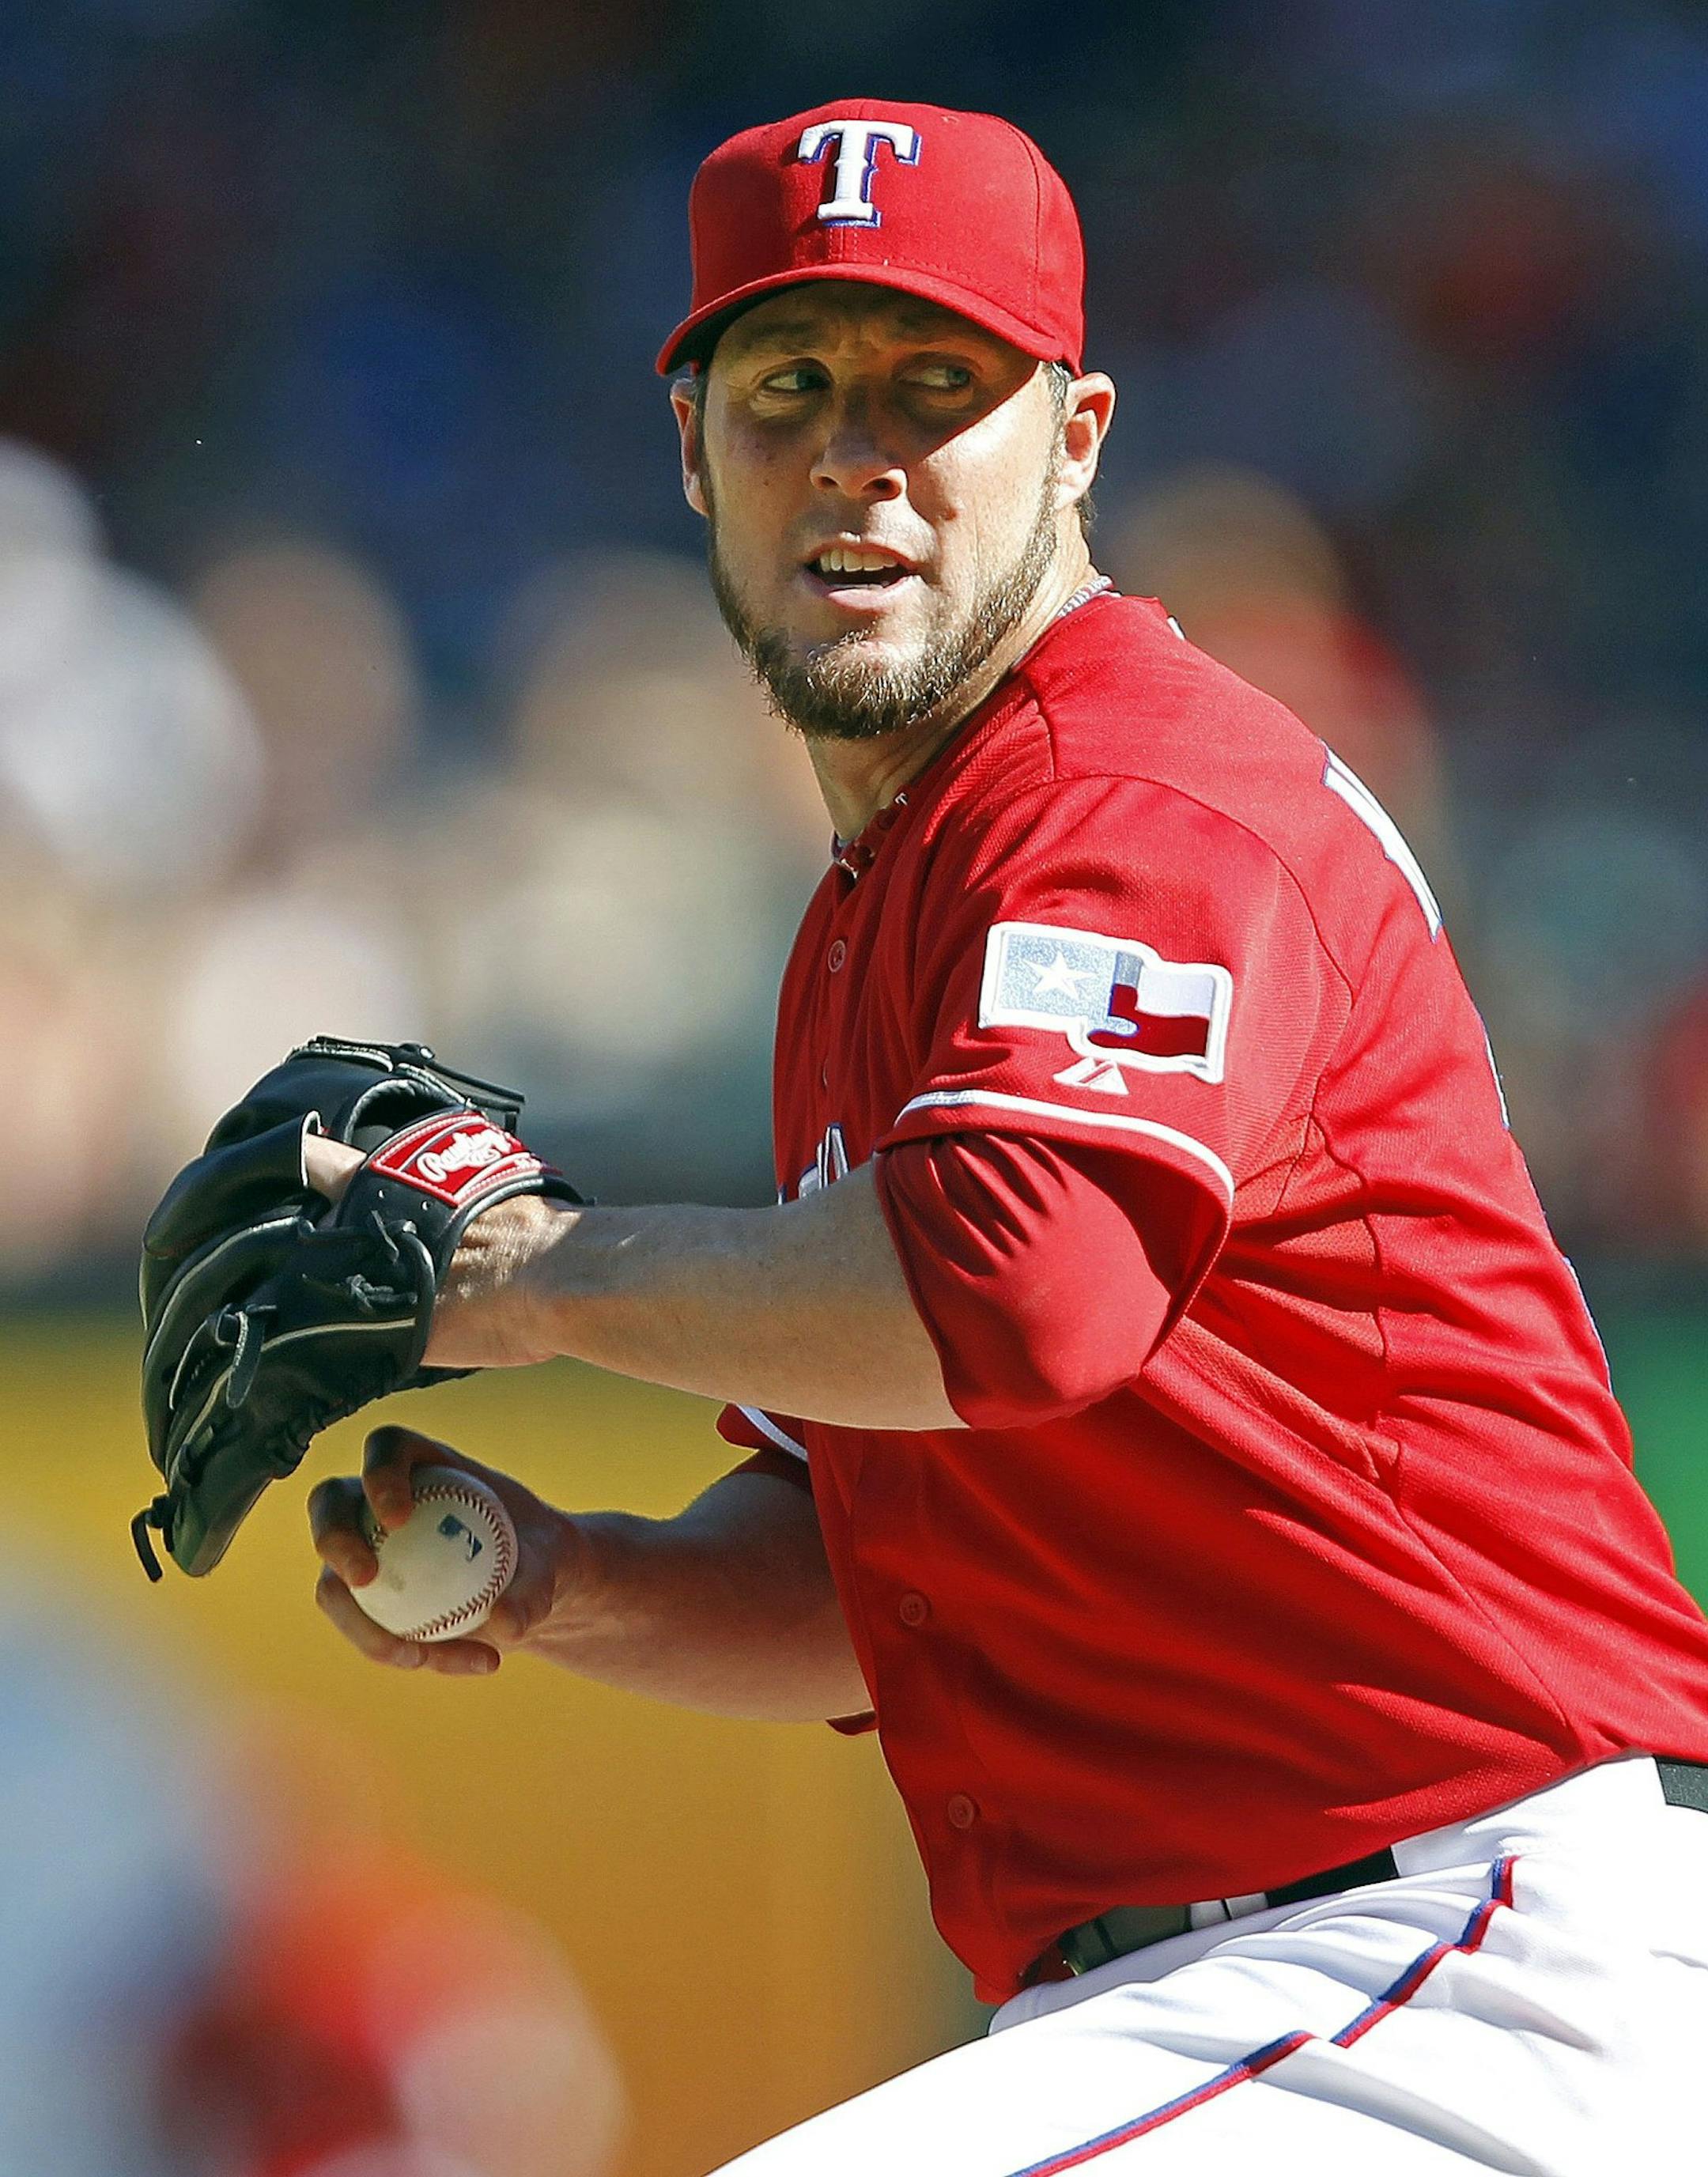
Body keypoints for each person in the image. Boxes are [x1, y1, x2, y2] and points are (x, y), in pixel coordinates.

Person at [308, 100, 1708, 2174]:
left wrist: (521, 1277)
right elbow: (852, 1562)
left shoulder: (1132, 807)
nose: (857, 455)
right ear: (690, 449)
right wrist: (551, 1576)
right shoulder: (880, 920)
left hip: (1457, 1954)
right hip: (1233, 2002)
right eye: (790, 386)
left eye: (933, 385)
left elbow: (1015, 1292)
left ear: (1073, 441)